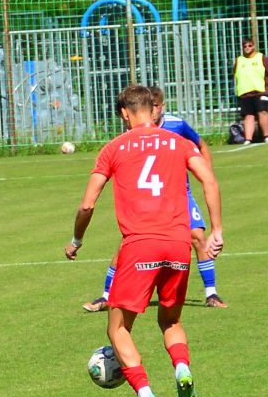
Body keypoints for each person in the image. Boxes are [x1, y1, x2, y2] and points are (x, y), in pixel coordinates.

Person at [65, 85, 224, 397]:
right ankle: (182, 369)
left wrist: (76, 240)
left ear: (125, 113)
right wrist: (216, 230)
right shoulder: (178, 143)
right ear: (153, 109)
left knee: (118, 328)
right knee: (170, 321)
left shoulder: (113, 148)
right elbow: (209, 181)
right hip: (179, 245)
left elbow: (87, 204)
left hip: (139, 246)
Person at [83, 88, 227, 312]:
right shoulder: (130, 136)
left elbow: (201, 146)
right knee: (128, 244)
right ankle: (106, 294)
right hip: (149, 198)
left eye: (159, 105)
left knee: (198, 236)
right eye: (154, 105)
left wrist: (206, 171)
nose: (157, 110)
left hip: (178, 194)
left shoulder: (176, 126)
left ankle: (211, 293)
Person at [233, 38, 268, 144]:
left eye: (249, 45)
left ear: (253, 46)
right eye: (245, 46)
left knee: (262, 111)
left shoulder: (261, 58)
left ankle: (266, 136)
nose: (247, 48)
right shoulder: (239, 60)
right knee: (248, 115)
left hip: (261, 91)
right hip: (245, 92)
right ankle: (248, 139)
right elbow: (235, 73)